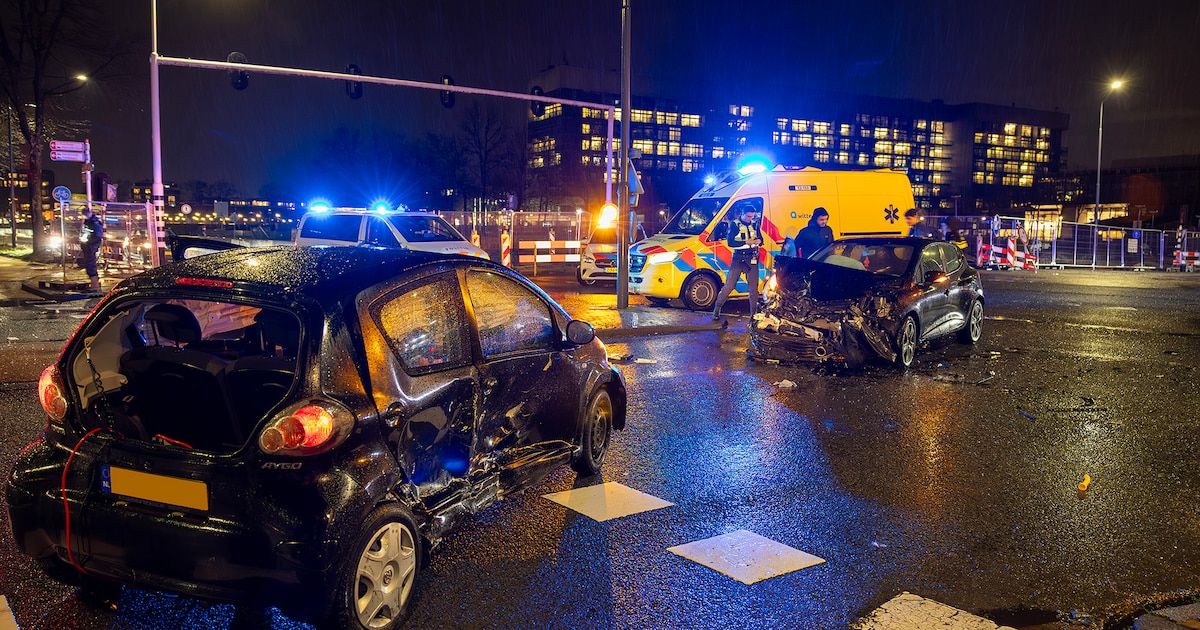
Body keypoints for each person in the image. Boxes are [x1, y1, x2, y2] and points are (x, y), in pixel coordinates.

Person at [712, 204, 762, 321]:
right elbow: (730, 242)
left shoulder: (755, 224)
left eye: (752, 216)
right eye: (748, 216)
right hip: (739, 258)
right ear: (742, 214)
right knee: (729, 285)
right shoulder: (735, 224)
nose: (750, 219)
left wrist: (759, 240)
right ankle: (717, 309)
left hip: (752, 257)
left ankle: (753, 316)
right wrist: (746, 242)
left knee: (753, 289)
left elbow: (761, 238)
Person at [79, 206, 104, 292]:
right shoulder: (89, 222)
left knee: (90, 264)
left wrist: (89, 243)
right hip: (88, 246)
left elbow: (97, 236)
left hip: (90, 246)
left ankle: (95, 284)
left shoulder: (94, 222)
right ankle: (94, 284)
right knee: (89, 264)